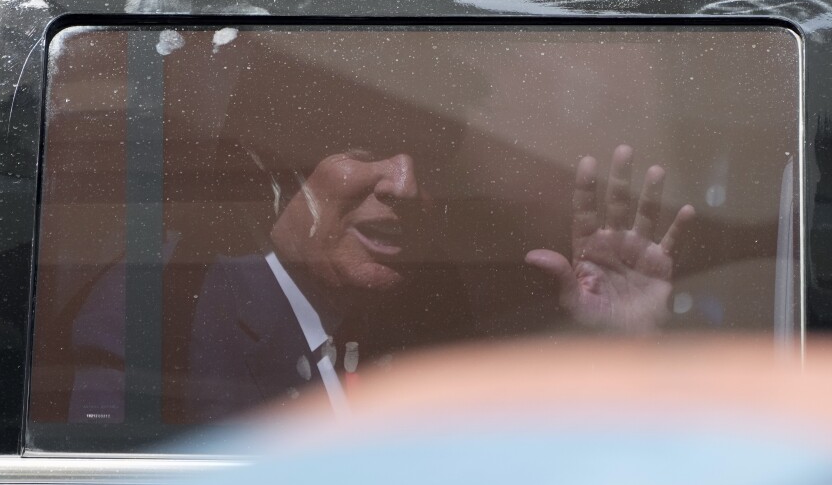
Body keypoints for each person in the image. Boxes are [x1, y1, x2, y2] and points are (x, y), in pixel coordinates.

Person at [184, 141, 694, 421]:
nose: (406, 186)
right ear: (278, 174)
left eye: (427, 162)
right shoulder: (169, 311)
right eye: (362, 152)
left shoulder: (426, 334)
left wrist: (620, 346)